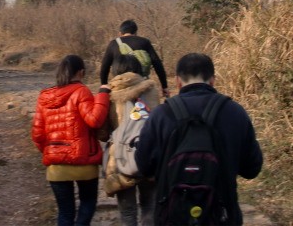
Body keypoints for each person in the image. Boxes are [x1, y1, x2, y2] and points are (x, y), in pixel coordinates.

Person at [134, 52, 263, 225]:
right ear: (213, 80)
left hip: (171, 216)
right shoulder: (235, 112)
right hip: (222, 215)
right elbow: (252, 169)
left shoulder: (161, 115)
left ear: (178, 82)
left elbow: (144, 166)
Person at [31, 54, 111, 226]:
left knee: (65, 212)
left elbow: (37, 135)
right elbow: (94, 120)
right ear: (81, 72)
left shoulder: (44, 97)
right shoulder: (81, 91)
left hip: (56, 167)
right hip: (84, 162)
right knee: (88, 202)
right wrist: (103, 95)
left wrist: (51, 152)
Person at [99, 54, 160, 226]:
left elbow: (102, 134)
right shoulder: (151, 90)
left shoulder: (110, 94)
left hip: (120, 159)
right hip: (148, 155)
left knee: (128, 212)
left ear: (115, 70)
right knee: (149, 206)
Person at [100, 19, 170, 98]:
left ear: (120, 33)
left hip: (120, 86)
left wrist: (104, 84)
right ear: (136, 32)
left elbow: (104, 66)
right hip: (141, 84)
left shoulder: (113, 44)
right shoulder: (145, 42)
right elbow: (157, 64)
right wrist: (164, 86)